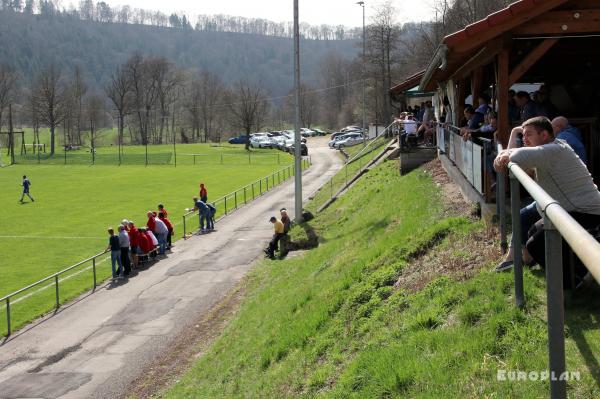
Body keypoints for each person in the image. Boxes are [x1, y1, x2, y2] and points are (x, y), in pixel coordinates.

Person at [493, 117, 600, 282]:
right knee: (532, 231)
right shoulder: (551, 148)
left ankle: (572, 283)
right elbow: (504, 166)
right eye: (523, 135)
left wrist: (506, 153)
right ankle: (563, 271)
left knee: (535, 245)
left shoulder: (551, 150)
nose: (524, 139)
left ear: (544, 135)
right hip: (569, 209)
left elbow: (513, 157)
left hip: (586, 212)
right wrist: (513, 138)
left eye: (529, 134)